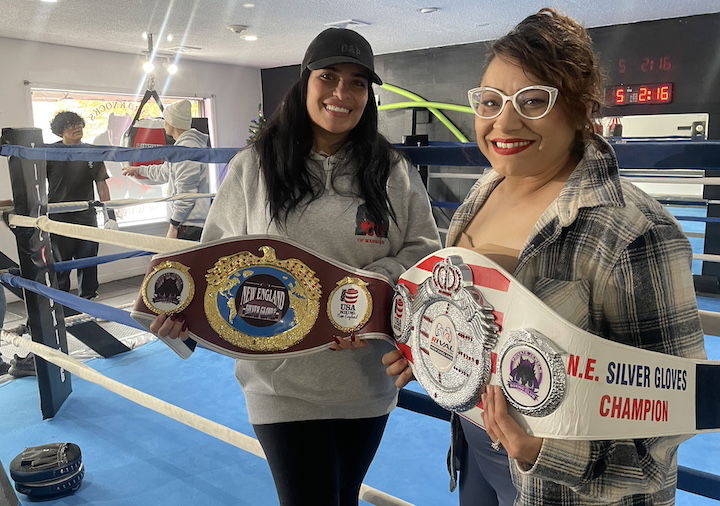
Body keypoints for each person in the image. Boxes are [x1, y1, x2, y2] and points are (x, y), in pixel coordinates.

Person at [383, 8, 706, 506]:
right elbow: (481, 329)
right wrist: (430, 353)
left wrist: (540, 452)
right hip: (474, 453)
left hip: (564, 489)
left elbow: (667, 427)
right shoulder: (482, 194)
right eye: (490, 101)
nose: (504, 121)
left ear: (579, 110)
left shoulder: (634, 232)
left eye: (533, 101)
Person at [150, 27, 440, 505]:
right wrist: (185, 321)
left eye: (357, 83)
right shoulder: (254, 166)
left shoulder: (392, 171)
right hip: (278, 380)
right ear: (305, 81)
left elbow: (423, 253)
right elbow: (216, 260)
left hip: (363, 380)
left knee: (344, 497)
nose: (341, 94)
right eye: (328, 76)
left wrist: (367, 291)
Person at [122, 100, 210, 241]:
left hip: (189, 225)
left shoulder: (187, 149)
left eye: (165, 121)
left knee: (176, 263)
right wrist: (138, 170)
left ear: (172, 123)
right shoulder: (182, 147)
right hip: (186, 223)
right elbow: (164, 172)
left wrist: (173, 226)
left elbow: (186, 193)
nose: (164, 125)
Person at [47, 111, 111, 300]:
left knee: (89, 262)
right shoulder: (48, 152)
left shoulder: (92, 151)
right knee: (60, 264)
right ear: (60, 132)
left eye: (78, 124)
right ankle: (60, 304)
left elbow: (101, 183)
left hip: (86, 215)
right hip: (59, 217)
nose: (76, 128)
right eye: (70, 125)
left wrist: (109, 215)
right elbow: (34, 183)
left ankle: (90, 300)